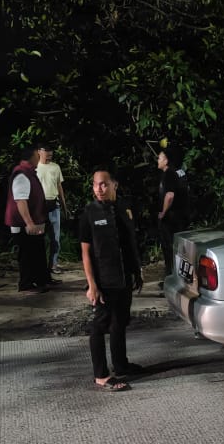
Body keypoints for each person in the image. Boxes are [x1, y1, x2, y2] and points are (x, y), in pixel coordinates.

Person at [80, 167, 144, 391]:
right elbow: (85, 253)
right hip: (104, 279)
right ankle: (101, 375)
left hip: (124, 276)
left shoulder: (125, 208)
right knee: (100, 325)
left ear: (114, 185)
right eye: (95, 184)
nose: (99, 188)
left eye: (104, 184)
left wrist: (137, 271)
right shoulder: (89, 213)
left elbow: (130, 242)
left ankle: (121, 364)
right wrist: (92, 285)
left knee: (120, 321)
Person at [4, 146, 62, 292]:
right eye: (37, 155)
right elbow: (20, 201)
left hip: (33, 223)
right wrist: (29, 223)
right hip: (23, 224)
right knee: (27, 255)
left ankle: (42, 280)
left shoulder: (29, 172)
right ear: (31, 157)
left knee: (38, 252)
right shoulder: (22, 174)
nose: (40, 157)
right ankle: (26, 284)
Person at [156, 146, 191, 282]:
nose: (157, 160)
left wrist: (163, 213)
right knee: (180, 248)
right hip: (181, 217)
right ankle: (180, 277)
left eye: (160, 158)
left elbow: (170, 195)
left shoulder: (169, 174)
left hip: (171, 218)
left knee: (170, 248)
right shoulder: (180, 172)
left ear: (166, 160)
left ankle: (171, 277)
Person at [35, 144, 68, 274]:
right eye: (46, 150)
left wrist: (64, 206)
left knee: (55, 238)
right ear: (39, 151)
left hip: (54, 205)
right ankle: (39, 265)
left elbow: (59, 186)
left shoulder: (55, 167)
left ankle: (53, 264)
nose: (49, 153)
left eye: (51, 151)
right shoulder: (35, 167)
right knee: (40, 238)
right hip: (40, 206)